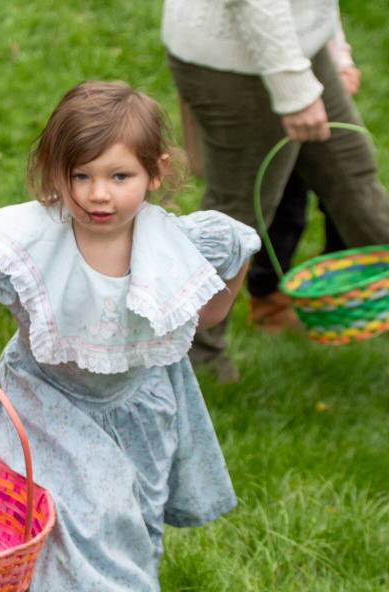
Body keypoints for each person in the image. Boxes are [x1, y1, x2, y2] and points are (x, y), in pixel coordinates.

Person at [0, 82, 260, 592]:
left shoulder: (173, 241)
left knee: (137, 504)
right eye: (81, 177)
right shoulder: (32, 240)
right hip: (48, 395)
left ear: (155, 173)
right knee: (73, 506)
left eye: (119, 177)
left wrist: (211, 304)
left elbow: (232, 252)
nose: (99, 195)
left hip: (139, 395)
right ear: (57, 175)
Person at [163, 0, 389, 382]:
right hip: (234, 62)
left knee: (355, 185)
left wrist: (335, 46)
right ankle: (191, 361)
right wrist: (295, 90)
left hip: (300, 47)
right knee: (236, 217)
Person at [245, 24, 359, 331]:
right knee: (285, 204)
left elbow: (323, 15)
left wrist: (343, 63)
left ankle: (339, 288)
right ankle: (268, 297)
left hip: (327, 89)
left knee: (346, 199)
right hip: (275, 93)